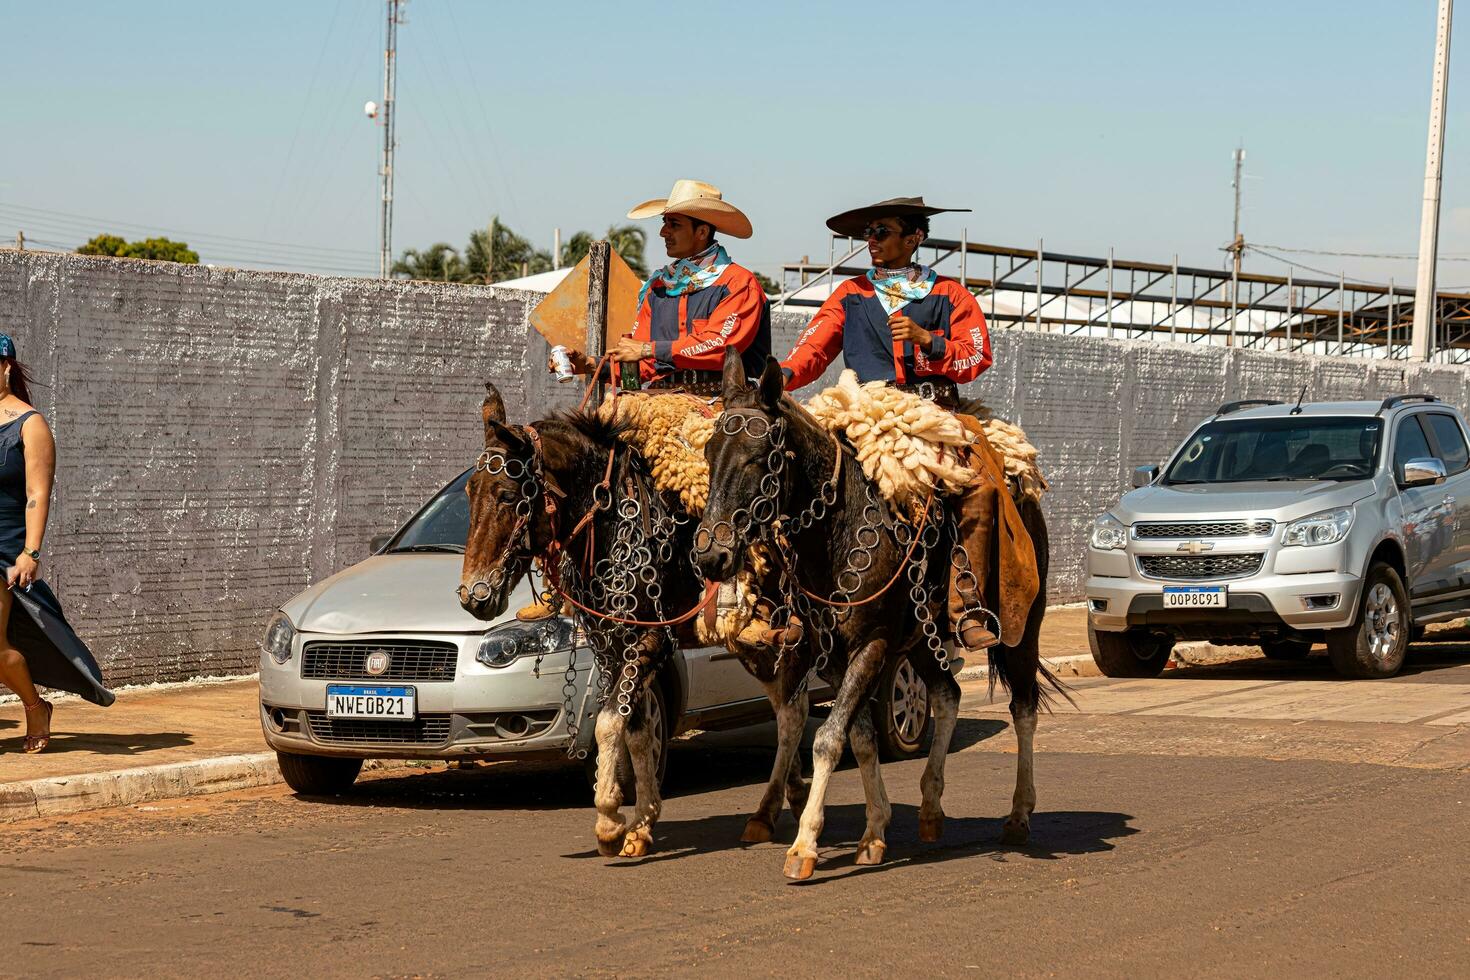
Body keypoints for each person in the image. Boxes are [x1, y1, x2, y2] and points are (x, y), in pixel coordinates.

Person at [780, 197, 1038, 653]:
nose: (871, 241)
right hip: (864, 414)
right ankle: (788, 601)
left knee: (980, 487)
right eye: (868, 233)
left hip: (934, 417)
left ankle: (967, 605)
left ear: (914, 238)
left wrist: (931, 343)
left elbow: (977, 356)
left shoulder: (950, 294)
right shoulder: (849, 294)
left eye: (882, 231)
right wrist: (779, 377)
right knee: (789, 472)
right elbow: (813, 351)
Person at [0, 334, 112, 752]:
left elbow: (36, 493)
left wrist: (30, 551)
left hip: (4, 547)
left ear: (7, 367)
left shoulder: (29, 424)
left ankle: (33, 707)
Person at [555, 179, 771, 396]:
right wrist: (590, 364)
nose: (663, 232)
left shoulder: (739, 283)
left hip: (725, 402)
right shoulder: (658, 288)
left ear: (702, 232)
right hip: (663, 400)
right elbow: (642, 364)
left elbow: (721, 348)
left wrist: (649, 349)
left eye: (674, 224)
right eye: (664, 222)